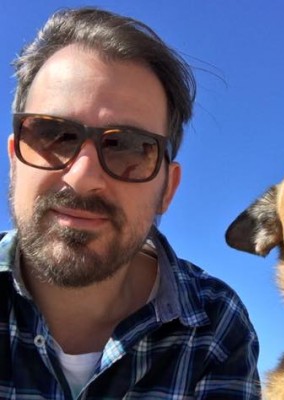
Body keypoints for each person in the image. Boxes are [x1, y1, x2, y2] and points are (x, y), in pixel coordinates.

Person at [0, 6, 261, 400]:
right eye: (54, 135)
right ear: (15, 160)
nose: (82, 177)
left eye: (128, 147)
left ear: (167, 189)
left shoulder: (215, 326)